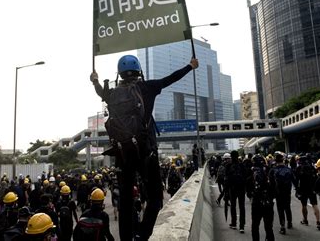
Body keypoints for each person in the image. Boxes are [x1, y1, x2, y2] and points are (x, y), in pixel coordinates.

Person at [90, 54, 199, 240]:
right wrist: (190, 65)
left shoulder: (113, 93)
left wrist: (95, 81)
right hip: (146, 152)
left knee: (125, 201)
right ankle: (142, 234)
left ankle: (126, 238)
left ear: (120, 74)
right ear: (139, 70)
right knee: (155, 197)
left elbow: (101, 93)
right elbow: (171, 78)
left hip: (122, 154)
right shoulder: (147, 87)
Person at [246, 154, 275, 241]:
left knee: (255, 226)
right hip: (268, 203)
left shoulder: (251, 173)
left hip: (256, 203)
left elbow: (248, 192)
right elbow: (275, 187)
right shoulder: (269, 172)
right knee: (269, 227)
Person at [269, 151, 295, 235]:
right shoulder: (288, 169)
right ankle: (289, 222)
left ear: (275, 161)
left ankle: (282, 226)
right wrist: (297, 189)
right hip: (287, 192)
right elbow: (294, 180)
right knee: (287, 207)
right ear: (283, 160)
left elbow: (270, 183)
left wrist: (271, 194)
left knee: (280, 209)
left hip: (278, 192)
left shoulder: (273, 170)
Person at [295, 155, 320, 230]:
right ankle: (318, 222)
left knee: (304, 205)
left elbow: (296, 180)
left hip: (303, 189)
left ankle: (305, 220)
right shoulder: (312, 168)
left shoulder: (299, 168)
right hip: (312, 189)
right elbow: (316, 178)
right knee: (315, 204)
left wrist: (297, 190)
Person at [225, 150, 247, 233]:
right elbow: (245, 176)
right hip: (241, 188)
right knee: (242, 207)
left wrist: (226, 190)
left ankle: (234, 224)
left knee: (233, 206)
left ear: (231, 156)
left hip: (232, 188)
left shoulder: (228, 165)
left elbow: (226, 178)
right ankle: (242, 226)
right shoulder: (242, 165)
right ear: (238, 156)